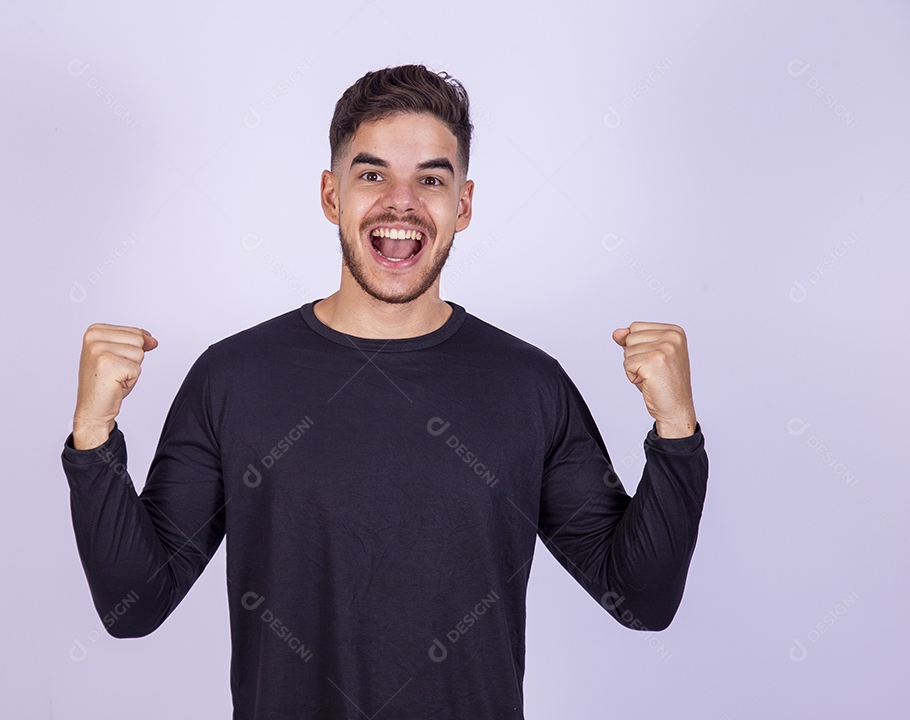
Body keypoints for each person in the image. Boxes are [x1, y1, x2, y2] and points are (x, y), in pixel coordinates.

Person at [61, 64, 707, 719]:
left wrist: (676, 429)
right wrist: (93, 437)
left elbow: (641, 600)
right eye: (372, 175)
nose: (402, 202)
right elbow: (135, 607)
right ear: (330, 195)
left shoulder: (528, 387)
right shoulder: (233, 379)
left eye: (430, 178)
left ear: (463, 204)